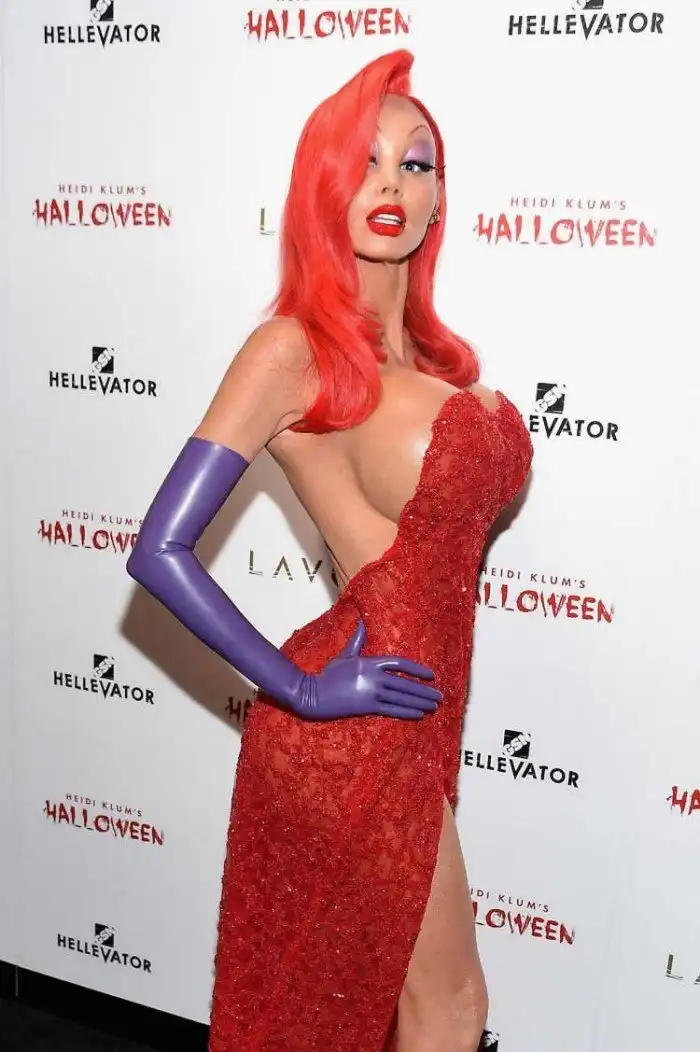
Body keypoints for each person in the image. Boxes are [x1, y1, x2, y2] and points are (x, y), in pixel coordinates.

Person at [127, 48, 533, 1052]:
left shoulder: (433, 360)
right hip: (355, 725)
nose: (390, 184)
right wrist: (299, 689)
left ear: (438, 199)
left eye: (415, 163)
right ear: (322, 188)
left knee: (400, 1007)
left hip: (420, 716)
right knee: (447, 1005)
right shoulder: (290, 350)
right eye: (364, 162)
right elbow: (159, 549)